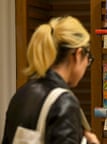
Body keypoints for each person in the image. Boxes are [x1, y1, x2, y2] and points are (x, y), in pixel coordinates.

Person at [2, 16, 100, 144]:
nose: (87, 64)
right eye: (88, 58)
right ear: (77, 54)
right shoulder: (64, 101)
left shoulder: (21, 95)